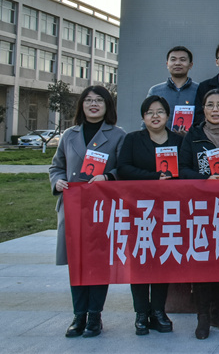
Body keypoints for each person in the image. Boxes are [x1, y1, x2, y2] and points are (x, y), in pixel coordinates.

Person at [49, 86, 125, 338]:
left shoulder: (118, 135)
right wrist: (57, 182)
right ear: (81, 105)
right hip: (73, 207)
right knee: (77, 262)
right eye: (88, 100)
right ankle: (78, 315)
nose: (93, 104)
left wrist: (108, 176)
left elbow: (124, 168)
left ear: (107, 105)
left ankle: (94, 316)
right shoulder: (69, 135)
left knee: (98, 262)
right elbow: (56, 167)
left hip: (102, 208)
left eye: (99, 100)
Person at [180, 89, 219, 340]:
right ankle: (202, 316)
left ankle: (218, 312)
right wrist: (205, 179)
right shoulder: (193, 135)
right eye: (210, 105)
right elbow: (182, 168)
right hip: (200, 207)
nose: (215, 109)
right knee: (203, 262)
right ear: (203, 109)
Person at [116, 95, 182, 335]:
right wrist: (154, 177)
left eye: (160, 111)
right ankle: (141, 313)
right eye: (150, 112)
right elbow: (123, 168)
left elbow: (185, 169)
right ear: (143, 117)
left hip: (169, 210)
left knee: (163, 258)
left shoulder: (178, 140)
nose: (155, 116)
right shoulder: (133, 139)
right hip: (139, 210)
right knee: (140, 260)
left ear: (168, 115)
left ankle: (158, 311)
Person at [147, 46, 199, 133]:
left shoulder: (199, 90)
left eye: (182, 60)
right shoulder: (155, 91)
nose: (177, 63)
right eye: (173, 59)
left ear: (190, 65)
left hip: (191, 140)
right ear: (167, 64)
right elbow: (147, 119)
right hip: (161, 140)